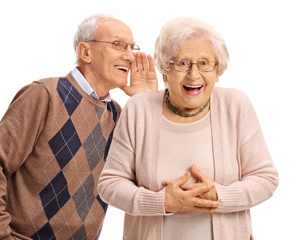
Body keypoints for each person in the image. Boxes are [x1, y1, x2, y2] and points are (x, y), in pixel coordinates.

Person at [0, 14, 157, 240]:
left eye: (132, 47)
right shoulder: (44, 95)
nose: (129, 56)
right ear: (85, 52)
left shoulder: (118, 114)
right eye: (118, 45)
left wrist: (147, 102)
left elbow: (147, 181)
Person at [97, 17, 278, 240]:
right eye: (182, 63)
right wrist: (162, 202)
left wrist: (218, 195)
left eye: (204, 63)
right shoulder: (138, 109)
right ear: (165, 71)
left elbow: (265, 179)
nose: (194, 75)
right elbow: (110, 184)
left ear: (217, 71)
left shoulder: (236, 106)